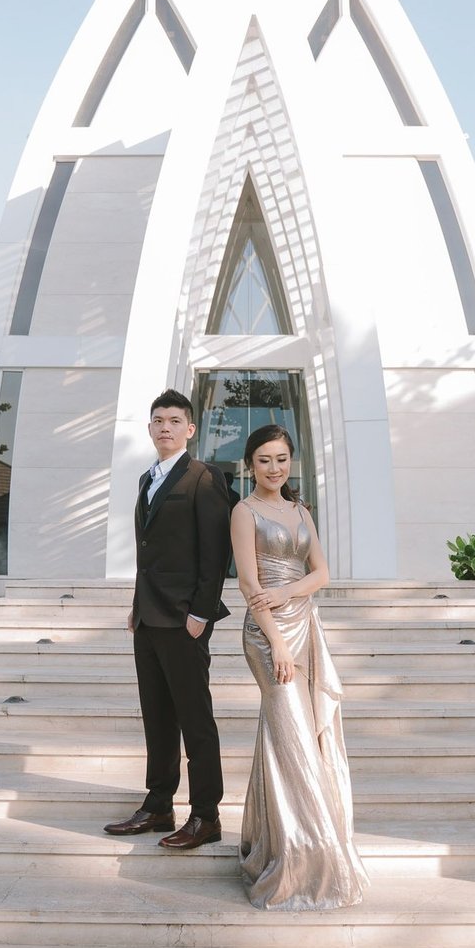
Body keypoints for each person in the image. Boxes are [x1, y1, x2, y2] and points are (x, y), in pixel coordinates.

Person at [231, 424, 369, 909]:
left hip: (305, 629)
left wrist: (291, 593)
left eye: (282, 458)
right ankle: (303, 856)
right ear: (251, 464)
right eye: (265, 459)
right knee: (290, 733)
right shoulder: (244, 512)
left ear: (292, 461)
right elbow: (250, 585)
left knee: (302, 736)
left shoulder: (300, 510)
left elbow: (322, 574)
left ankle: (275, 841)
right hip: (268, 635)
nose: (275, 468)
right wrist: (278, 644)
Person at [103, 389, 232, 851]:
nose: (165, 428)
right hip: (149, 618)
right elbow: (148, 553)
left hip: (184, 620)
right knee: (156, 717)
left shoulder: (204, 478)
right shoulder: (146, 479)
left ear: (190, 429)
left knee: (195, 720)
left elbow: (216, 553)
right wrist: (138, 607)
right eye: (158, 420)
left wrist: (201, 613)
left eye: (174, 421)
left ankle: (206, 815)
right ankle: (159, 804)